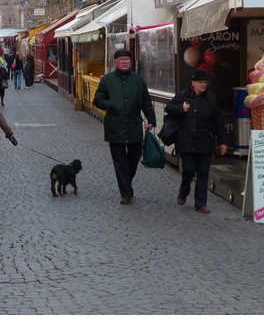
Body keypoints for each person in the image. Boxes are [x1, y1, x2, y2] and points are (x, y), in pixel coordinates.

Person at [93, 48, 157, 205]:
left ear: (130, 62)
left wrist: (151, 119)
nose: (124, 62)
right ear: (115, 62)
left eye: (126, 60)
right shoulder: (107, 80)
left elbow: (146, 101)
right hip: (115, 126)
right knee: (120, 161)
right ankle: (126, 193)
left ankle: (125, 182)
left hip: (134, 125)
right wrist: (112, 105)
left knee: (134, 157)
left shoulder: (137, 79)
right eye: (121, 60)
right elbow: (97, 100)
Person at [165, 68, 228, 213]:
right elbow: (169, 108)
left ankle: (201, 203)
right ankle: (184, 190)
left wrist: (223, 142)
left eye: (205, 82)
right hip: (185, 140)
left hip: (205, 141)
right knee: (189, 169)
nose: (203, 85)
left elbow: (219, 121)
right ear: (193, 83)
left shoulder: (211, 98)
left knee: (203, 171)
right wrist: (181, 108)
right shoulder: (182, 96)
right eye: (200, 82)